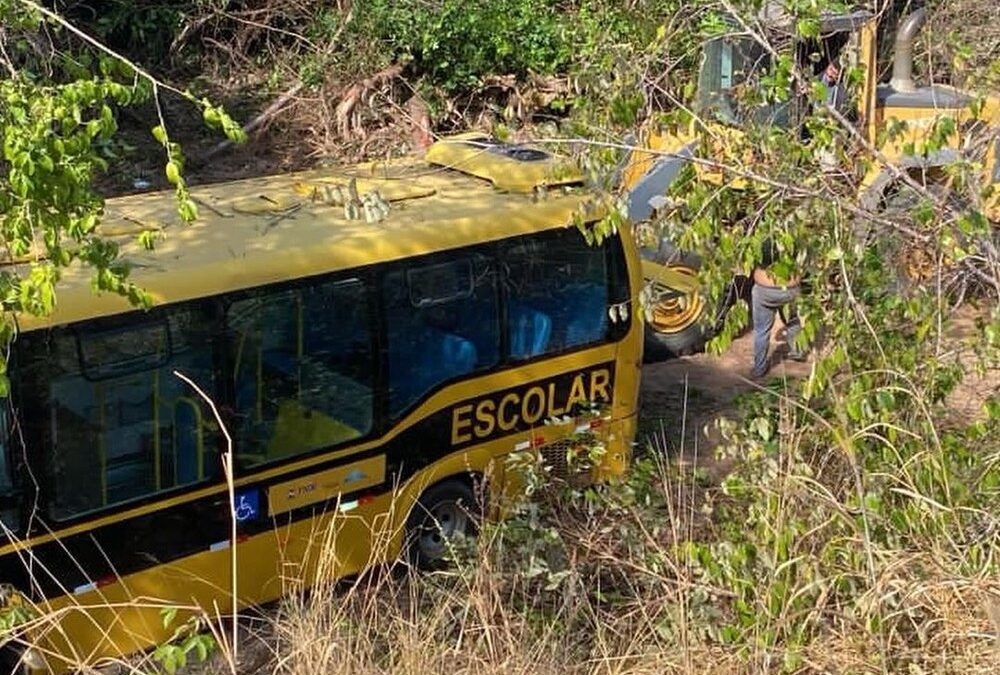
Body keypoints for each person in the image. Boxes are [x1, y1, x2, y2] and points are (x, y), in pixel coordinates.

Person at [750, 238, 806, 378]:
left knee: (761, 331)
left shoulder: (762, 242)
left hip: (765, 290)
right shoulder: (792, 241)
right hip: (790, 290)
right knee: (793, 321)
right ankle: (797, 351)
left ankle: (759, 368)